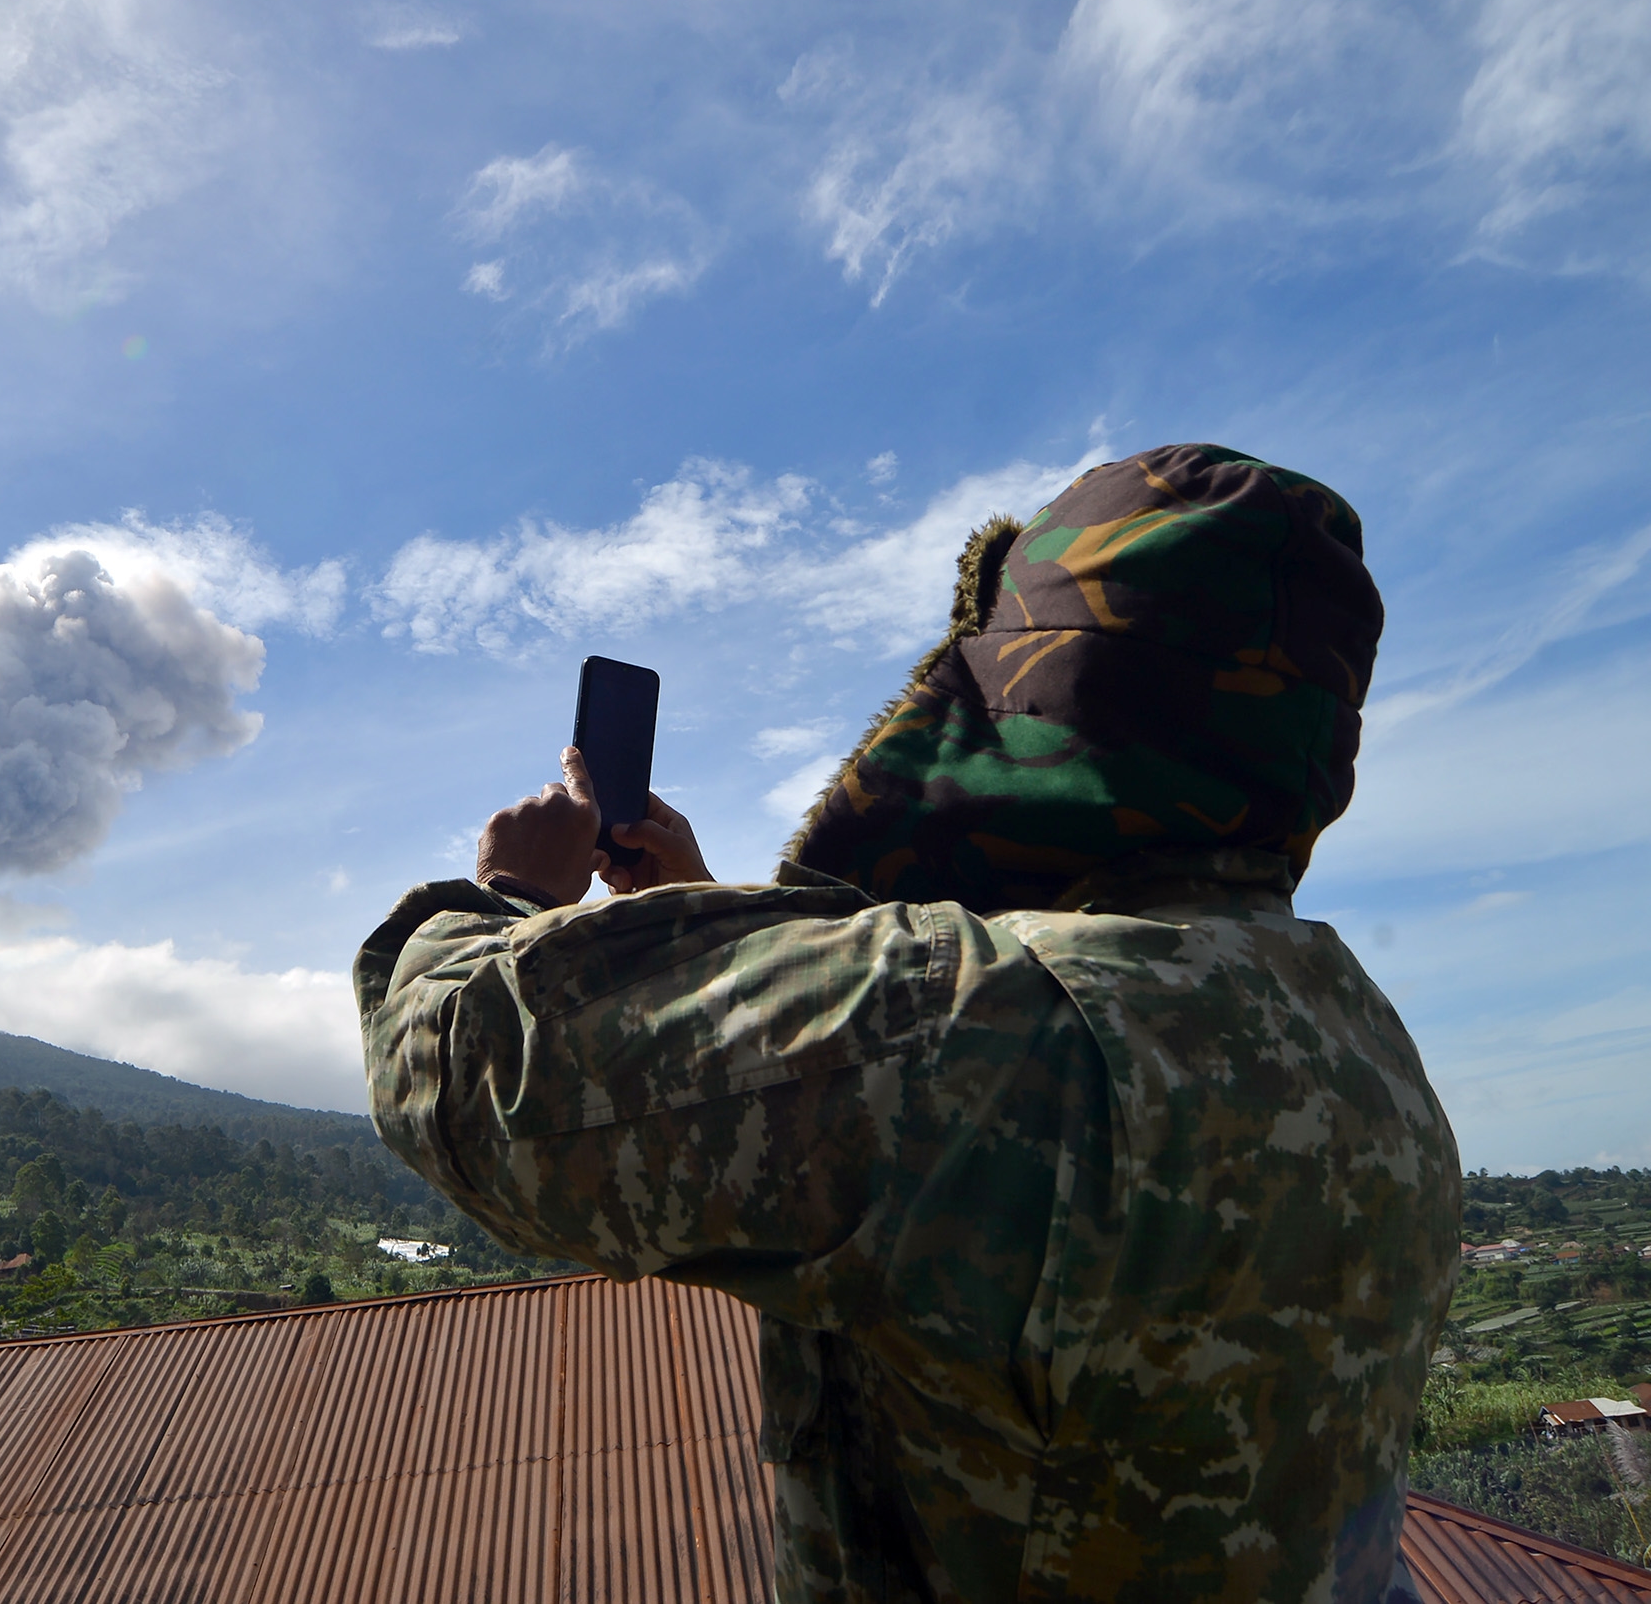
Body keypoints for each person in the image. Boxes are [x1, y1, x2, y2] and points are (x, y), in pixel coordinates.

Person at [356, 444, 1461, 1603]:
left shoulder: (966, 1029)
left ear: (1035, 684)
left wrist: (512, 899)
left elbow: (472, 1068)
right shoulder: (1352, 1034)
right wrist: (710, 911)